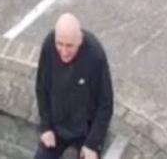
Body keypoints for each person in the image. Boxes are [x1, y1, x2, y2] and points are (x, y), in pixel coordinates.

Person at [34, 13, 113, 159]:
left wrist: (93, 143)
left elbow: (106, 103)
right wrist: (46, 127)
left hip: (86, 131)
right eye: (59, 44)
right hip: (57, 127)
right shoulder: (48, 45)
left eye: (69, 45)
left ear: (80, 40)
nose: (63, 52)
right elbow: (41, 88)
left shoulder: (95, 55)